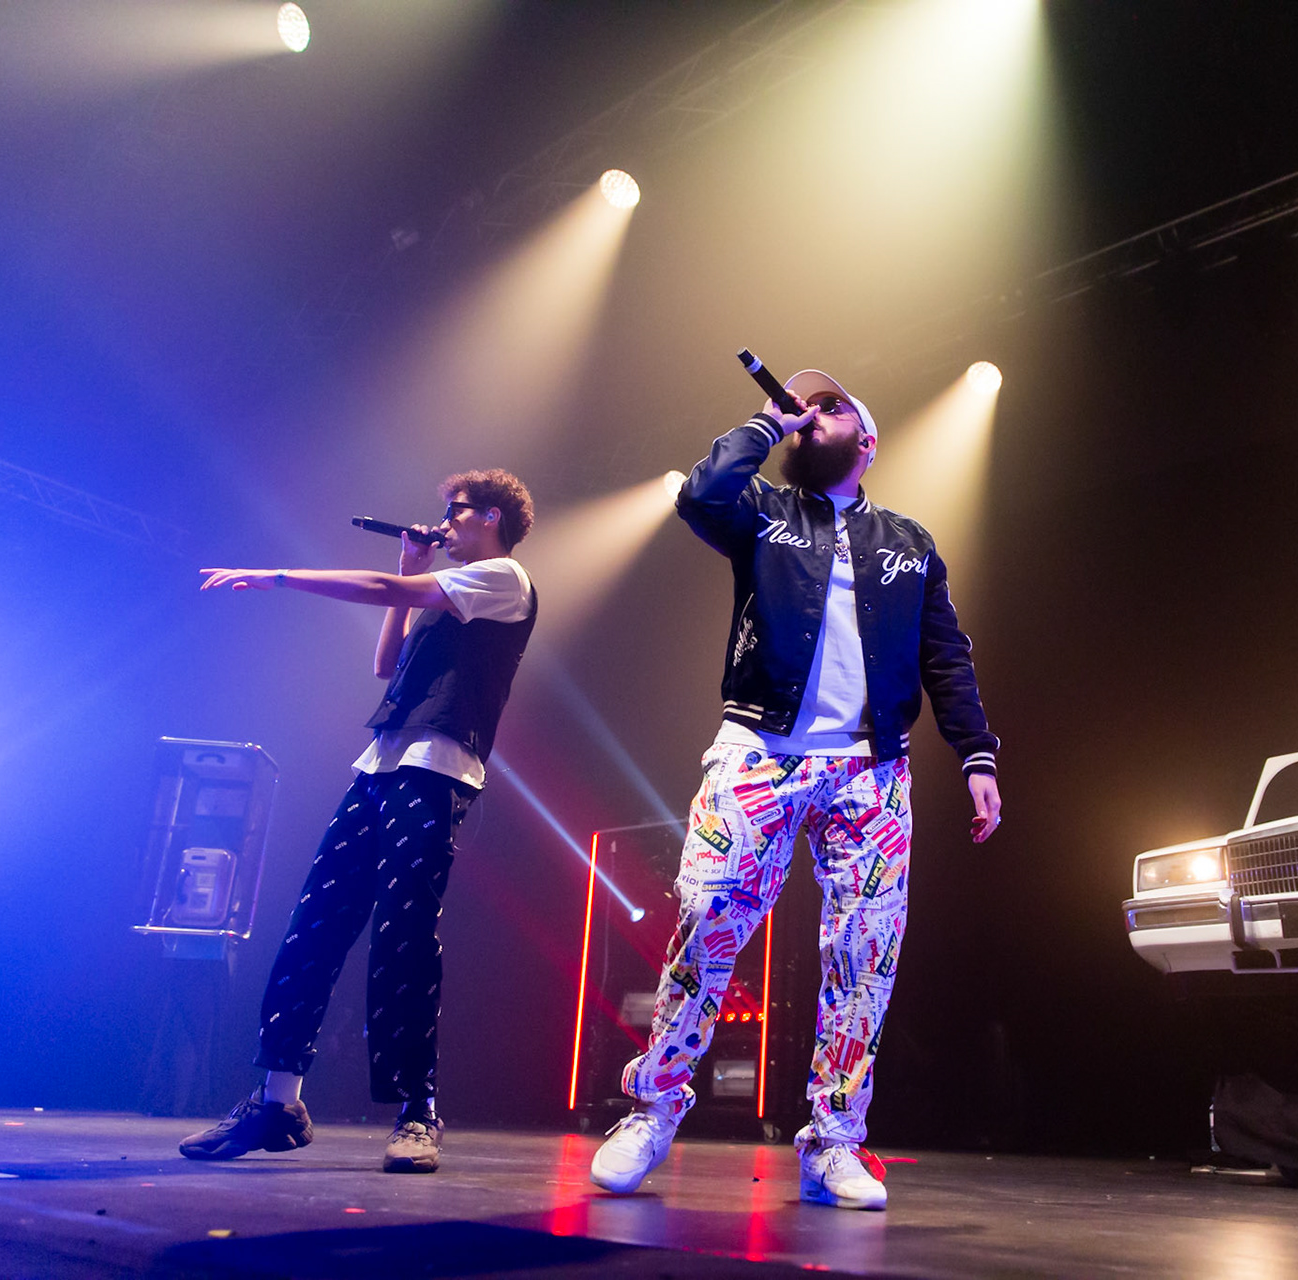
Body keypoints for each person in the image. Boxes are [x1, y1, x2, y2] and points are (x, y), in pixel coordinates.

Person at [589, 370, 1001, 1210]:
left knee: (864, 957)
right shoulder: (767, 514)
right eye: (801, 406)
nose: (811, 415)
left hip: (871, 770)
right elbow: (701, 496)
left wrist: (977, 755)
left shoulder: (910, 541)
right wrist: (763, 424)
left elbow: (946, 655)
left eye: (830, 406)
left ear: (869, 439)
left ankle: (834, 1142)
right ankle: (652, 1109)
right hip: (758, 754)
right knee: (706, 924)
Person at [178, 468, 536, 1174]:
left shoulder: (504, 579)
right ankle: (278, 1099)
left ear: (491, 517)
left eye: (454, 511)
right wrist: (409, 567)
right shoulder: (448, 595)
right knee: (314, 926)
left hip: (436, 772)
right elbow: (384, 662)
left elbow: (380, 591)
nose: (443, 521)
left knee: (403, 936)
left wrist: (278, 576)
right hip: (378, 768)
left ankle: (417, 1110)